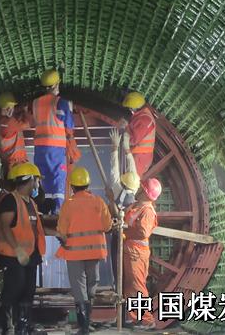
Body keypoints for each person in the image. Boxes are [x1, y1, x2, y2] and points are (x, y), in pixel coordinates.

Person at [55, 167, 112, 334]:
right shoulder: (98, 202)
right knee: (91, 285)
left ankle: (84, 326)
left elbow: (61, 231)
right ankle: (88, 321)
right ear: (88, 184)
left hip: (74, 253)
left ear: (72, 186)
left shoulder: (68, 204)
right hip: (94, 252)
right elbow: (107, 226)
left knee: (79, 289)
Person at [0, 162, 46, 335]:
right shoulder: (10, 200)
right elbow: (4, 226)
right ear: (30, 180)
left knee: (28, 290)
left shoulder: (31, 203)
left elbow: (33, 228)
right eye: (37, 180)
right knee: (14, 287)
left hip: (30, 255)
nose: (38, 183)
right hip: (13, 254)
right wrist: (17, 249)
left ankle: (23, 327)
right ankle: (3, 325)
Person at [32, 69, 78, 215]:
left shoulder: (35, 103)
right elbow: (69, 125)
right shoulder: (60, 102)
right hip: (55, 148)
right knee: (58, 177)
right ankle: (58, 211)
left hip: (39, 149)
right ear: (57, 84)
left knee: (44, 178)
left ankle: (44, 210)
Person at [122, 177, 162, 329]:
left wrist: (125, 230)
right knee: (130, 286)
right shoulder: (137, 206)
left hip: (137, 252)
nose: (138, 189)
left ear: (145, 192)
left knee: (137, 285)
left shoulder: (147, 211)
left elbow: (143, 232)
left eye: (142, 187)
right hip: (132, 250)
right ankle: (134, 318)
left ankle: (147, 320)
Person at [104, 128, 140, 288]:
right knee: (129, 269)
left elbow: (114, 170)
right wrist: (127, 150)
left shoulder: (118, 189)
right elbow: (132, 170)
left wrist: (115, 148)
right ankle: (125, 288)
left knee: (117, 264)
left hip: (118, 233)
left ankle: (119, 287)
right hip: (131, 238)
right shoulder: (135, 188)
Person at [118, 92, 156, 177]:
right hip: (139, 156)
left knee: (128, 180)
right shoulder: (142, 116)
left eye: (129, 108)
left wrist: (125, 126)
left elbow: (132, 140)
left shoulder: (144, 120)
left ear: (134, 108)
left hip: (139, 158)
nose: (129, 110)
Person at [0, 92, 29, 177]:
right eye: (13, 107)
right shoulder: (10, 123)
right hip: (16, 165)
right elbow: (28, 124)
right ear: (8, 108)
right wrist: (25, 110)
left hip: (10, 165)